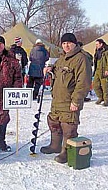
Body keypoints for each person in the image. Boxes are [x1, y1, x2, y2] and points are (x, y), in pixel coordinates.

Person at [40, 33, 92, 164]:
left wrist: (76, 100)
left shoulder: (81, 59)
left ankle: (67, 152)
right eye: (63, 43)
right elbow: (57, 73)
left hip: (70, 101)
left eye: (69, 43)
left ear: (74, 43)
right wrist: (49, 70)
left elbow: (83, 82)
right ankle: (55, 146)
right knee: (54, 122)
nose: (66, 46)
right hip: (57, 99)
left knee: (68, 127)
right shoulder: (61, 58)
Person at [93, 39, 108, 106]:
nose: (96, 46)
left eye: (97, 44)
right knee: (95, 85)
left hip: (105, 71)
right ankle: (100, 97)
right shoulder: (97, 51)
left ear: (101, 44)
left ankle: (106, 101)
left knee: (105, 87)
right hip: (97, 70)